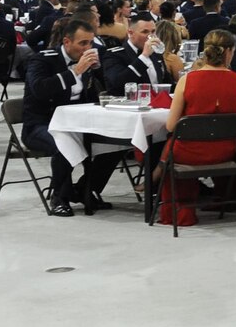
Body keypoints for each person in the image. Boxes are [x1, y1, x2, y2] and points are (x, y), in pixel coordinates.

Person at [159, 31, 236, 228]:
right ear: (228, 52)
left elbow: (171, 125)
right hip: (226, 151)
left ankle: (177, 209)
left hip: (189, 152)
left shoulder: (188, 80)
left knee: (167, 148)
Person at [21, 17, 107, 216]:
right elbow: (40, 89)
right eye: (82, 43)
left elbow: (96, 95)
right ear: (67, 42)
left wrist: (98, 73)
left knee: (114, 145)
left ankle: (84, 189)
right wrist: (75, 71)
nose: (87, 47)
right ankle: (59, 196)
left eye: (90, 42)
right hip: (41, 124)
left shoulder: (87, 61)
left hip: (76, 123)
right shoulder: (42, 59)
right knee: (63, 145)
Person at [101, 16, 170, 95]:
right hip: (129, 104)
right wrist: (144, 57)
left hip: (157, 104)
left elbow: (166, 83)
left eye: (153, 31)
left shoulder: (155, 54)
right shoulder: (114, 55)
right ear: (130, 33)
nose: (150, 36)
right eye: (145, 32)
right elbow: (117, 84)